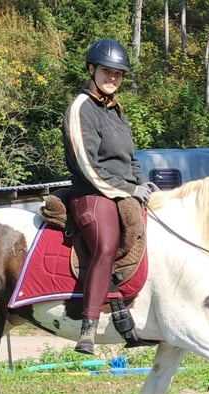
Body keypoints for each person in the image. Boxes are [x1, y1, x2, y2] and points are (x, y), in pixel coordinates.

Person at [61, 38, 155, 354]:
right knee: (106, 243)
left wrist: (144, 185)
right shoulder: (80, 108)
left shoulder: (117, 111)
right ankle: (88, 327)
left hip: (123, 192)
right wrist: (129, 190)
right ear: (91, 69)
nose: (112, 78)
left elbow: (130, 158)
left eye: (118, 73)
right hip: (92, 194)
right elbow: (87, 164)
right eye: (106, 71)